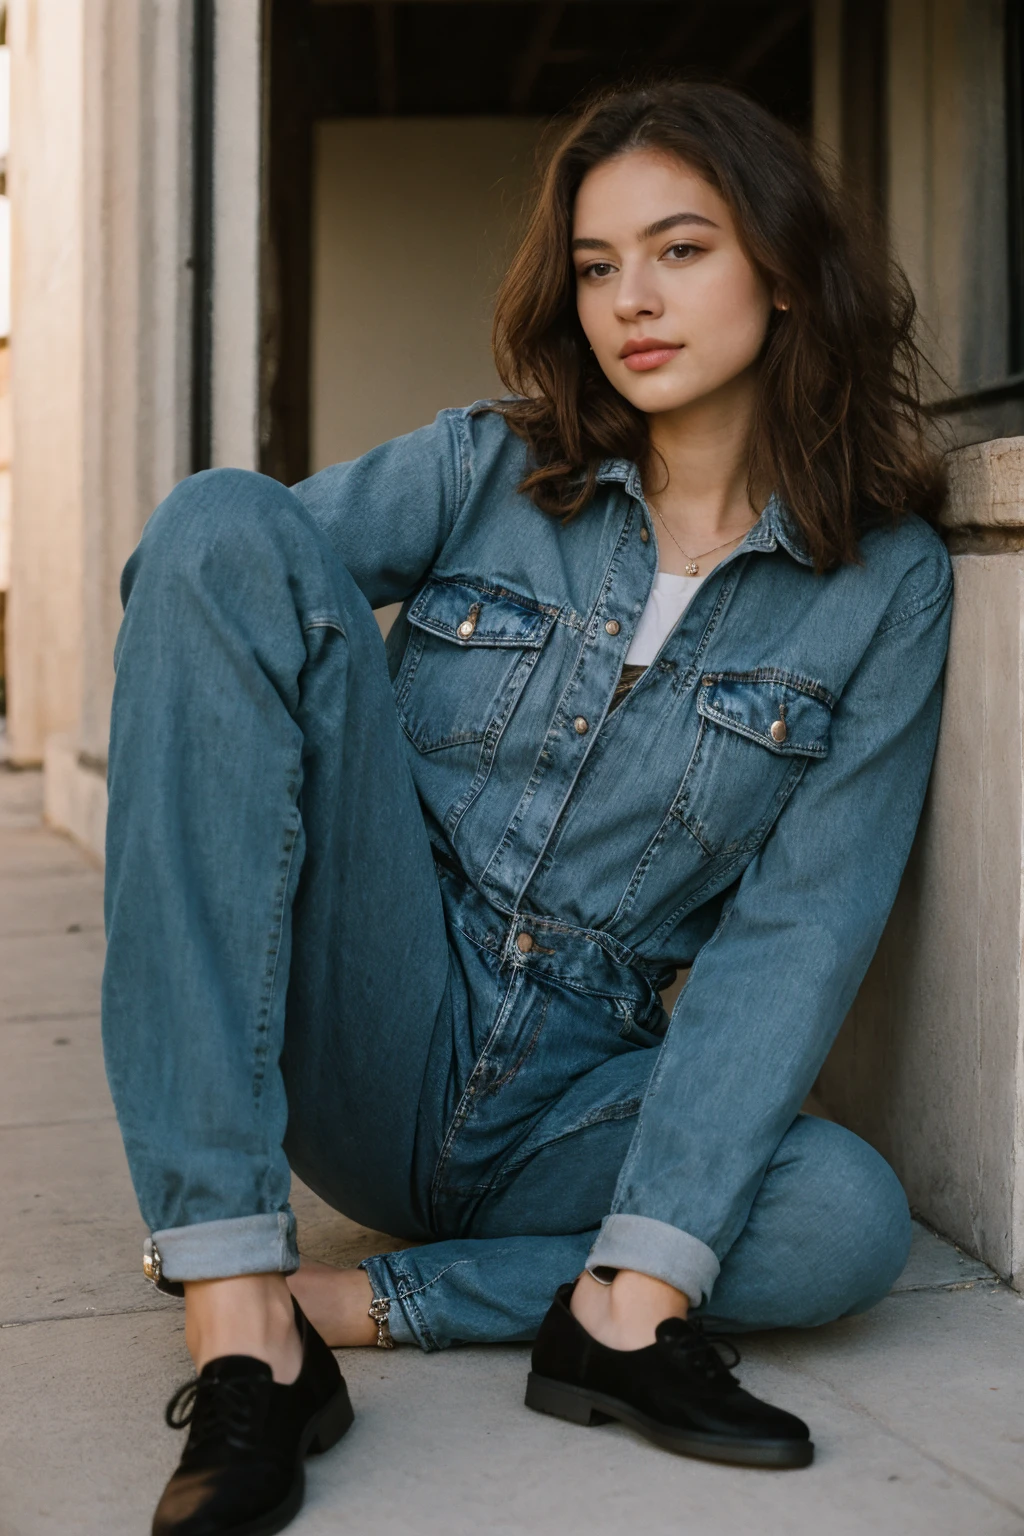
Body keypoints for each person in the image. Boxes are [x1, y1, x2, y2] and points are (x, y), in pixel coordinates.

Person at [102, 79, 953, 1535]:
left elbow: (801, 931)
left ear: (786, 271)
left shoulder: (883, 587)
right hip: (374, 1009)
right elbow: (203, 595)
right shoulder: (488, 467)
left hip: (574, 1100)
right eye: (598, 263)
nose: (634, 299)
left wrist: (656, 1269)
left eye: (682, 250)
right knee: (212, 521)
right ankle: (242, 1322)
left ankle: (423, 1308)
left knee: (842, 1216)